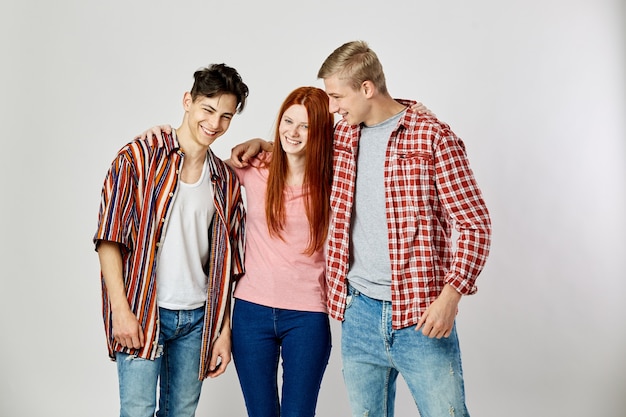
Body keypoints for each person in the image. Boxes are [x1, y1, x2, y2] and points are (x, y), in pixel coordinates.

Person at [232, 40, 492, 417]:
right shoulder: (344, 137)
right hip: (359, 315)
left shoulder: (432, 137)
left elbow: (474, 224)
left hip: (421, 314)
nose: (333, 107)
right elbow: (303, 144)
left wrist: (450, 297)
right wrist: (264, 143)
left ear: (367, 89)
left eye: (337, 96)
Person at [138, 86, 335, 417]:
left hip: (307, 316)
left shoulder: (333, 182)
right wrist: (163, 139)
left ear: (320, 133)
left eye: (305, 126)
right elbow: (197, 168)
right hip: (251, 314)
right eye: (288, 121)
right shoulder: (255, 169)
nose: (293, 132)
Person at [93, 63, 249, 417]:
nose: (214, 123)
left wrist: (222, 330)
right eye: (208, 110)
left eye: (226, 116)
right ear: (187, 102)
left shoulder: (225, 181)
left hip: (196, 319)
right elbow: (109, 239)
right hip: (144, 310)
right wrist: (120, 310)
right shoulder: (138, 157)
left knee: (181, 413)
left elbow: (226, 266)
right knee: (137, 411)